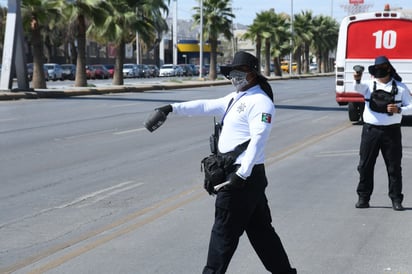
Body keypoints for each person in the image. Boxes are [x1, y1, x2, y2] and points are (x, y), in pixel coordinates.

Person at [146, 51, 296, 273]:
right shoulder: (235, 98)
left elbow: (258, 140)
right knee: (262, 233)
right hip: (245, 178)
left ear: (253, 74)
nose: (235, 75)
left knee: (222, 236)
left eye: (241, 71)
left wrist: (241, 174)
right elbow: (205, 105)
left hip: (241, 178)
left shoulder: (260, 102)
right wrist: (172, 108)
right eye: (233, 72)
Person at [353, 55, 412, 211]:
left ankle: (396, 200)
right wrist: (357, 78)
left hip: (391, 132)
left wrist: (399, 109)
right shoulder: (367, 85)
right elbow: (356, 88)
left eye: (382, 69)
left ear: (388, 69)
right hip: (370, 130)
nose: (379, 72)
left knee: (394, 167)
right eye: (377, 69)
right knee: (365, 166)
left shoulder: (400, 87)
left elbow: (411, 106)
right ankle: (363, 198)